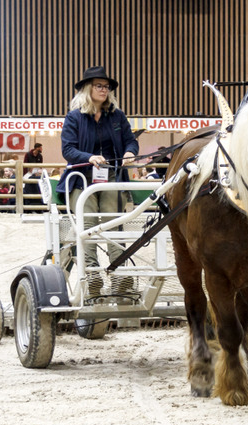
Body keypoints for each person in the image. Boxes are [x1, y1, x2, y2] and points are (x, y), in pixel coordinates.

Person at [59, 65, 138, 296]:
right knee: (89, 228)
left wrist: (130, 152)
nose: (104, 90)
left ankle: (120, 276)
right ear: (87, 88)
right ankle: (92, 277)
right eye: (99, 86)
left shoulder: (117, 116)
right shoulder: (74, 117)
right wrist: (89, 157)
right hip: (82, 179)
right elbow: (68, 150)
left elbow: (130, 140)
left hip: (112, 176)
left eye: (106, 86)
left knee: (113, 225)